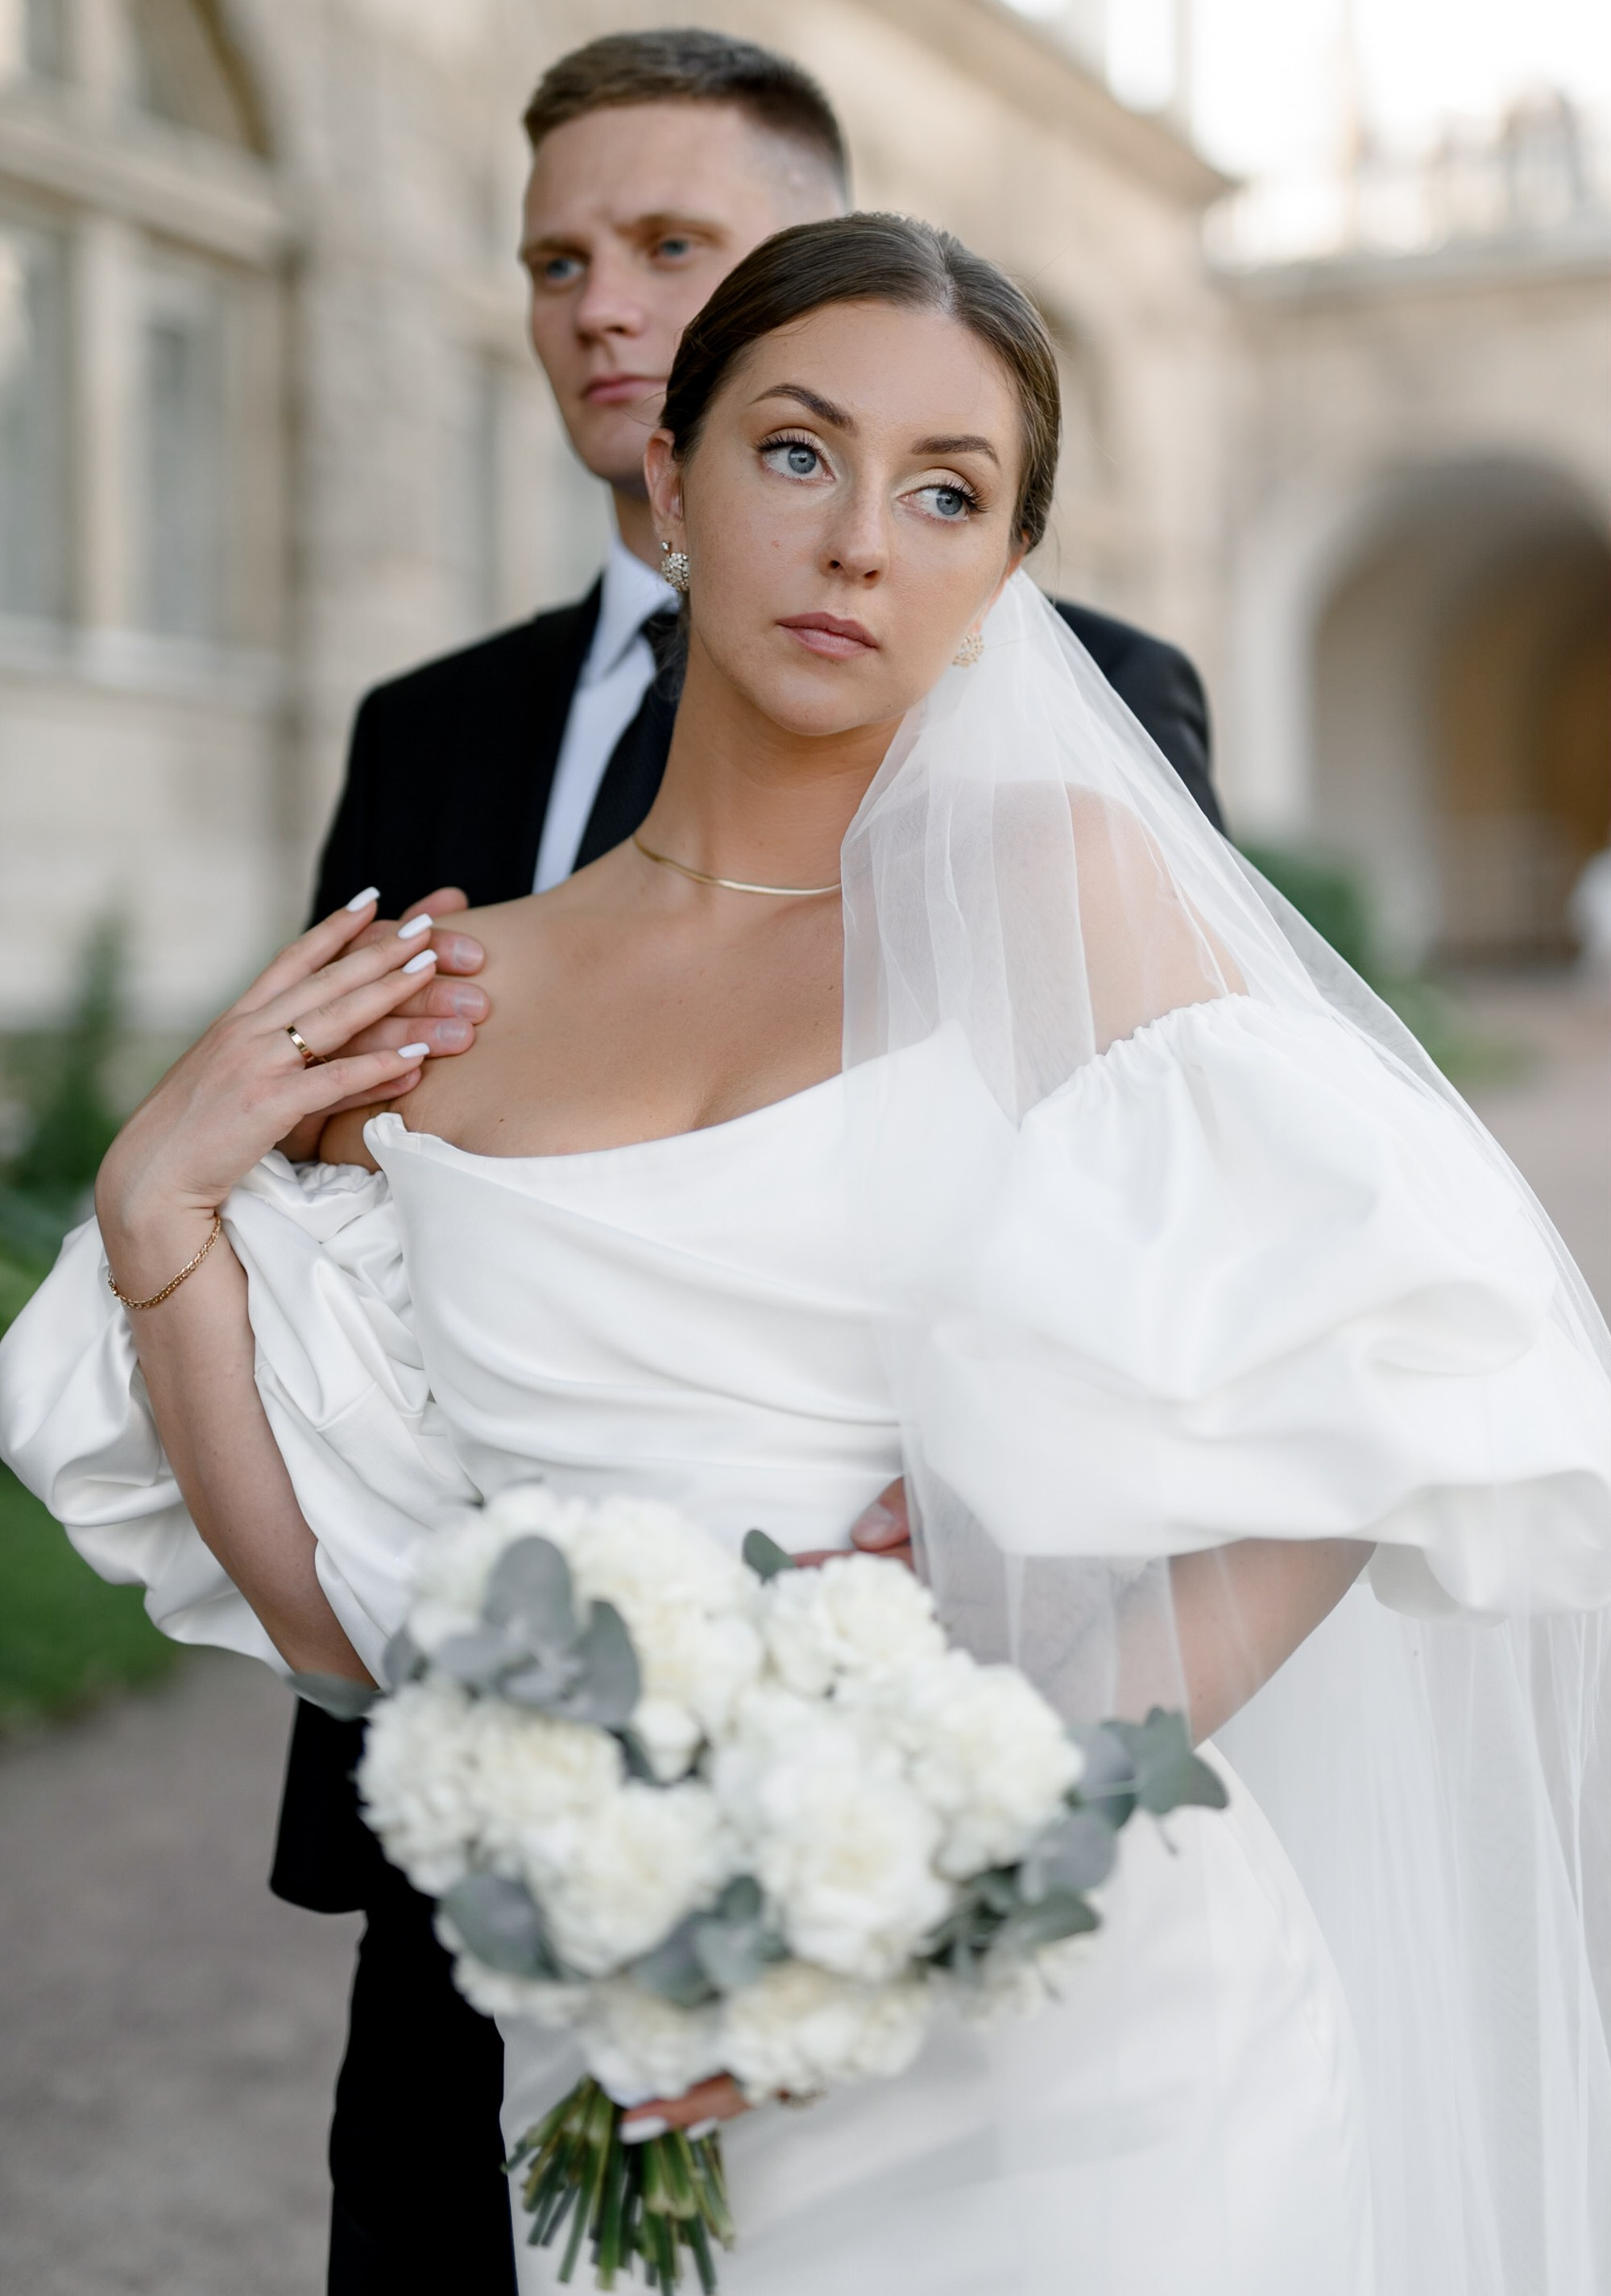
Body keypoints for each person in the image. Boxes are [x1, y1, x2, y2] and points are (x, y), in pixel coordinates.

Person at [5, 213, 1609, 2296]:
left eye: (947, 491)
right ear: (666, 479)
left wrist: (941, 1843)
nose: (864, 538)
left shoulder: (1075, 901)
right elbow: (357, 1628)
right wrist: (157, 1228)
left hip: (1070, 2036)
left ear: (1006, 571)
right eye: (797, 451)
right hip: (626, 2042)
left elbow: (1369, 1408)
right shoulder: (450, 987)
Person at [268, 24, 1228, 2285]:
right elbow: (350, 1221)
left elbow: (1145, 1254)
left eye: (672, 249)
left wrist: (881, 1759)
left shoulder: (1086, 701)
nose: (602, 306)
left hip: (882, 1763)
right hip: (464, 1789)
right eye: (555, 259)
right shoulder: (431, 729)